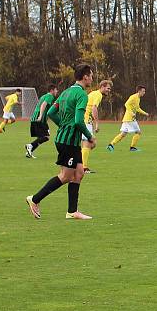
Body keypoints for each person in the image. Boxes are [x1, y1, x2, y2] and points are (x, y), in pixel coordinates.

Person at [25, 64, 96, 220]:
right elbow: (78, 121)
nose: (92, 78)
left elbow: (51, 112)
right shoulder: (82, 95)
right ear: (85, 77)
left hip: (68, 140)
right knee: (65, 176)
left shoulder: (65, 92)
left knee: (79, 173)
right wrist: (90, 136)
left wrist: (63, 125)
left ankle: (72, 211)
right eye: (91, 75)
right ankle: (34, 199)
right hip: (68, 142)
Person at [82, 80, 112, 173]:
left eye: (110, 89)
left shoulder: (94, 93)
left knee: (89, 143)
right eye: (108, 88)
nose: (109, 90)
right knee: (90, 142)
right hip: (86, 120)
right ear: (102, 86)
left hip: (84, 119)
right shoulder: (98, 95)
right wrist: (97, 123)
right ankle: (84, 167)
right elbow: (94, 108)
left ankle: (79, 163)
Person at [107, 86, 149, 152]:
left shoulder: (138, 98)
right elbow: (126, 104)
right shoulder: (133, 97)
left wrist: (145, 113)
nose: (144, 92)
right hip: (130, 119)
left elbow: (137, 108)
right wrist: (131, 113)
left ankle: (111, 145)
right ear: (139, 91)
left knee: (123, 134)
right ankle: (132, 147)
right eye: (143, 91)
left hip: (128, 119)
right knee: (138, 132)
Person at [25, 85, 59, 158]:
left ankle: (29, 151)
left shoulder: (44, 96)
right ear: (52, 90)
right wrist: (40, 116)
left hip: (36, 119)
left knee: (41, 137)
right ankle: (30, 145)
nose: (57, 91)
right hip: (39, 119)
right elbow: (43, 105)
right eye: (56, 90)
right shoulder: (50, 96)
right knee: (46, 137)